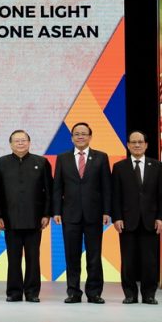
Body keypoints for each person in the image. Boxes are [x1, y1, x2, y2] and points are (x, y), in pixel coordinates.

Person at [52, 122, 111, 304]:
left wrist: (107, 211)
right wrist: (56, 211)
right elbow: (57, 187)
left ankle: (94, 293)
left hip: (94, 214)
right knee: (72, 255)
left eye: (84, 134)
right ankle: (73, 292)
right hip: (70, 215)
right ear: (72, 138)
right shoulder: (63, 158)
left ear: (90, 137)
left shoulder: (101, 157)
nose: (80, 136)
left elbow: (106, 187)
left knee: (94, 256)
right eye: (77, 134)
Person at [0, 130, 52, 302]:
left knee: (33, 258)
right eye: (16, 141)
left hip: (35, 219)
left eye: (23, 140)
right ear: (10, 144)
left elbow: (49, 191)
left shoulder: (41, 162)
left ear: (29, 142)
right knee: (13, 258)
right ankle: (14, 292)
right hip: (10, 220)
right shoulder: (0, 163)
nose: (20, 143)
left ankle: (32, 292)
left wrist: (46, 214)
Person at [112, 131, 162, 305]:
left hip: (150, 221)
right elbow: (116, 196)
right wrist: (117, 217)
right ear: (128, 145)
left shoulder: (157, 166)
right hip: (127, 221)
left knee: (150, 260)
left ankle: (149, 294)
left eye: (140, 142)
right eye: (133, 142)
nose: (137, 145)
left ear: (146, 145)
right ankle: (130, 294)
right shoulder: (119, 167)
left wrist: (161, 218)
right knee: (128, 260)